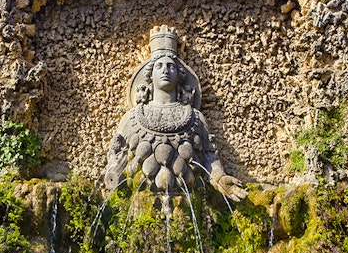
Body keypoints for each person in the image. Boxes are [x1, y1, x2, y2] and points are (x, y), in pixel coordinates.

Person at [104, 26, 246, 202]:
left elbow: (209, 156)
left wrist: (219, 178)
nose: (165, 70)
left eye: (171, 66)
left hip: (188, 205)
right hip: (141, 204)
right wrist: (112, 174)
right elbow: (118, 156)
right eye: (159, 66)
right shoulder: (132, 119)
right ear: (150, 74)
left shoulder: (195, 118)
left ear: (179, 75)